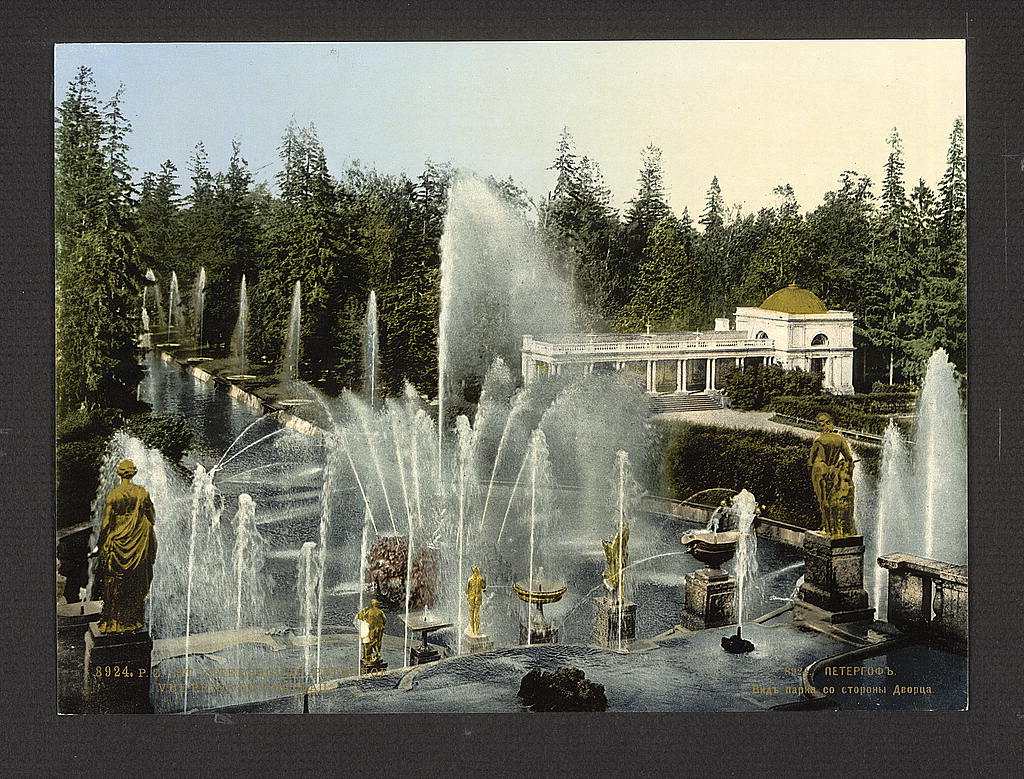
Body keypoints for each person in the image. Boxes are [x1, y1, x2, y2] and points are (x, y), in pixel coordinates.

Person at [97, 460, 157, 633]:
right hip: (138, 545)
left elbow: (106, 524)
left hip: (116, 544)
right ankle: (132, 622)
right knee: (135, 582)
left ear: (119, 473)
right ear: (134, 473)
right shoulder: (142, 493)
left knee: (115, 582)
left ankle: (113, 622)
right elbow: (152, 517)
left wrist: (99, 545)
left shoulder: (113, 495)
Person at [808, 413, 857, 537]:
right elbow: (849, 458)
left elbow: (810, 461)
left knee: (823, 501)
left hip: (819, 469)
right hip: (832, 471)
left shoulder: (819, 440)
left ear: (823, 424)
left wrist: (811, 470)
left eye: (819, 424)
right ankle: (836, 528)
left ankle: (827, 528)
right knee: (832, 500)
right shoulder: (840, 440)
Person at [602, 521, 629, 602]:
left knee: (620, 579)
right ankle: (616, 598)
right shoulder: (613, 547)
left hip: (618, 563)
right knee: (618, 580)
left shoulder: (616, 544)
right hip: (616, 564)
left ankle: (618, 598)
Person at [355, 599, 387, 665]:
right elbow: (385, 620)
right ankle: (377, 655)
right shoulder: (380, 612)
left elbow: (360, 617)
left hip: (372, 629)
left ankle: (371, 656)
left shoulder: (368, 611)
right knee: (378, 642)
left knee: (371, 642)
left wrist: (365, 622)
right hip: (379, 629)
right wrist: (383, 626)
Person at [466, 566, 486, 636]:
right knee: (475, 615)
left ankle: (474, 631)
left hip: (473, 598)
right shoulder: (479, 579)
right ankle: (474, 631)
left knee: (474, 615)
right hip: (475, 599)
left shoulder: (471, 579)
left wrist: (468, 597)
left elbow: (467, 591)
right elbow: (484, 587)